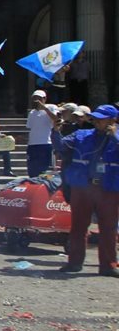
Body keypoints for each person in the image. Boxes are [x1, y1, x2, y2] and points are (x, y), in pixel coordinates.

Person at [51, 104, 119, 276]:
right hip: (82, 187)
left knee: (108, 228)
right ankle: (74, 262)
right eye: (95, 118)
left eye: (101, 119)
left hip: (108, 188)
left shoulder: (116, 138)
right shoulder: (82, 135)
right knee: (78, 226)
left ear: (112, 120)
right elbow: (60, 147)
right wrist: (56, 130)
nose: (96, 121)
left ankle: (108, 265)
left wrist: (114, 137)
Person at [25, 90, 59, 177]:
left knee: (44, 170)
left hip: (45, 143)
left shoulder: (51, 107)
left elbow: (56, 119)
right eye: (35, 98)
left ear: (45, 99)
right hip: (32, 144)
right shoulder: (32, 112)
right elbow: (30, 127)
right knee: (32, 169)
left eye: (39, 98)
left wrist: (45, 108)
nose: (37, 100)